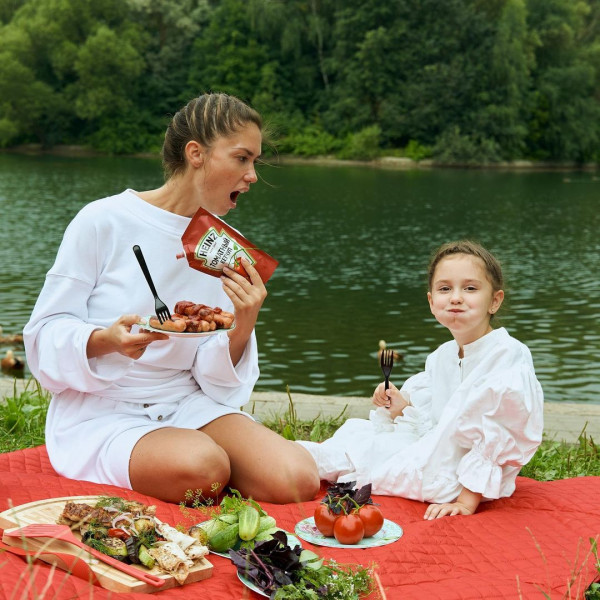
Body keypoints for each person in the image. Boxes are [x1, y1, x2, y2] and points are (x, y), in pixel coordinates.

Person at [24, 92, 320, 505]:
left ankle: (202, 457)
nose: (252, 175)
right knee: (204, 468)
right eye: (242, 158)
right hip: (104, 409)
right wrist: (107, 341)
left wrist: (244, 319)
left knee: (297, 478)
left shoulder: (221, 243)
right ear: (196, 153)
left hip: (186, 402)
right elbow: (44, 332)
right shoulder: (103, 221)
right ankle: (190, 460)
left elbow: (212, 372)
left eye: (254, 161)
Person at [297, 240, 544, 519]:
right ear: (431, 302)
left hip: (463, 479)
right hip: (439, 450)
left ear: (495, 301)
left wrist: (466, 502)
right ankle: (287, 460)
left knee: (370, 459)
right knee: (359, 439)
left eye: (470, 288)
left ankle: (290, 464)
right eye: (445, 289)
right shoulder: (442, 356)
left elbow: (498, 433)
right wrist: (401, 408)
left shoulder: (507, 357)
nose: (455, 298)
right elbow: (436, 422)